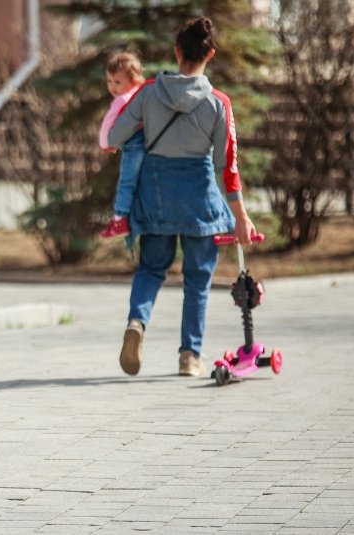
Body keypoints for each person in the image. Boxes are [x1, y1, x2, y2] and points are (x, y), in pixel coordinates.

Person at [107, 17, 256, 378]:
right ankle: (190, 355)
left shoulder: (148, 93)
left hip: (156, 195)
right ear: (211, 54)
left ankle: (137, 323)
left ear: (177, 52)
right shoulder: (219, 103)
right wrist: (241, 216)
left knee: (151, 269)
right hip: (199, 200)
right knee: (197, 280)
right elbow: (227, 166)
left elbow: (114, 137)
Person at [98, 51, 146, 239]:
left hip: (133, 146)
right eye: (110, 81)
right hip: (150, 144)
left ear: (133, 80)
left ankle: (119, 220)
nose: (113, 87)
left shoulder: (122, 100)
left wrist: (105, 143)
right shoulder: (142, 95)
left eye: (118, 82)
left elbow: (108, 123)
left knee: (126, 182)